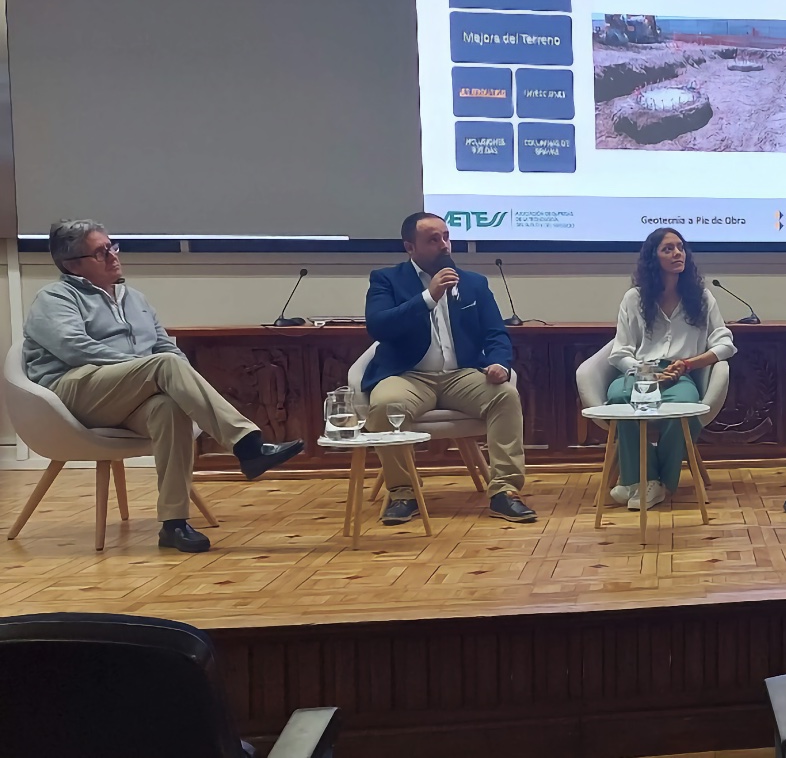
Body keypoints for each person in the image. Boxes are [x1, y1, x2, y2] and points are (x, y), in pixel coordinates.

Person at [22, 219, 304, 553]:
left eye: (112, 246)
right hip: (74, 391)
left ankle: (174, 524)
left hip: (128, 392)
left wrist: (176, 381)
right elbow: (75, 349)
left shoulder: (135, 298)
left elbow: (164, 347)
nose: (113, 255)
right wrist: (144, 367)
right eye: (101, 252)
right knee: (163, 366)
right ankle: (247, 446)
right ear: (72, 265)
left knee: (170, 409)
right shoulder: (55, 297)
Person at [362, 212, 535, 525]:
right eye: (433, 239)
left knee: (505, 397)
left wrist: (499, 363)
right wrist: (429, 297)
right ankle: (403, 493)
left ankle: (505, 491)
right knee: (386, 405)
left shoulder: (473, 283)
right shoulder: (386, 279)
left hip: (461, 375)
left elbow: (496, 333)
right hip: (409, 375)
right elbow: (379, 326)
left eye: (445, 237)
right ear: (409, 247)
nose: (444, 245)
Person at [604, 227, 736, 510]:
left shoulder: (701, 297)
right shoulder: (634, 298)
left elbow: (725, 343)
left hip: (680, 375)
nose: (678, 253)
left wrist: (689, 363)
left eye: (680, 247)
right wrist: (643, 372)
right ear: (654, 258)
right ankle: (648, 480)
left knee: (685, 407)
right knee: (618, 399)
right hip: (639, 372)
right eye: (668, 249)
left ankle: (639, 482)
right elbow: (620, 351)